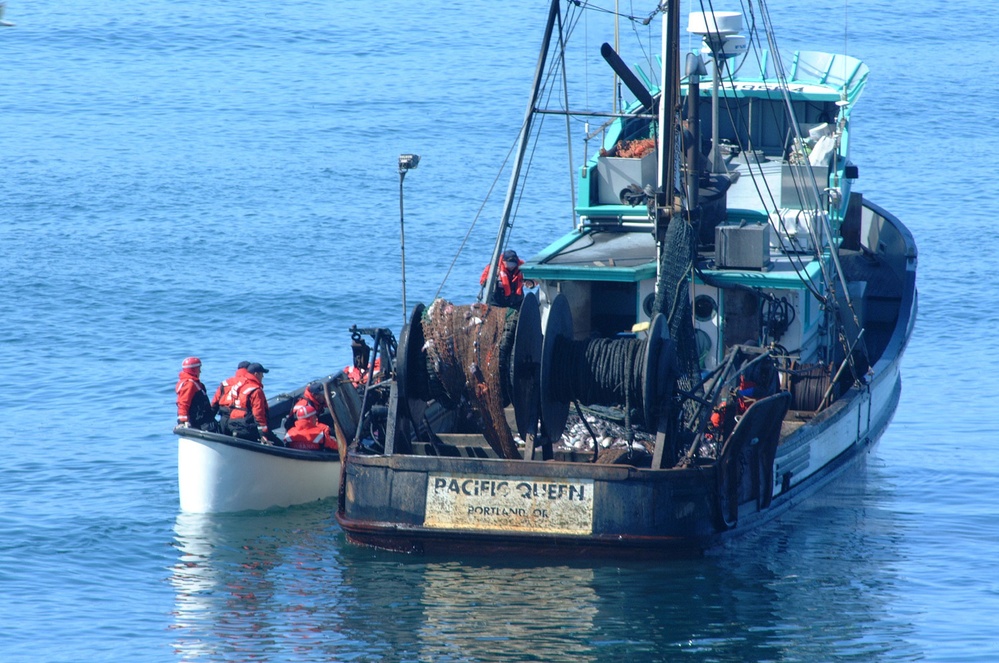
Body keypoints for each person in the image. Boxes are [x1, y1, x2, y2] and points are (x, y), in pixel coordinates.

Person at [226, 363, 281, 444]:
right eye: (262, 374)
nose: (263, 377)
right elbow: (258, 414)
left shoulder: (238, 386)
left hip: (233, 424)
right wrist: (263, 434)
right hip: (248, 427)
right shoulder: (256, 391)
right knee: (279, 444)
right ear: (256, 374)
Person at [175, 357, 216, 430]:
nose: (200, 372)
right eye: (198, 369)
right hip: (200, 421)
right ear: (193, 370)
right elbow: (184, 402)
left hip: (201, 419)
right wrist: (183, 421)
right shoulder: (190, 384)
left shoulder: (192, 383)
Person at [212, 360, 250, 432]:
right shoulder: (249, 383)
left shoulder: (225, 383)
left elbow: (215, 403)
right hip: (240, 421)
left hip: (224, 418)